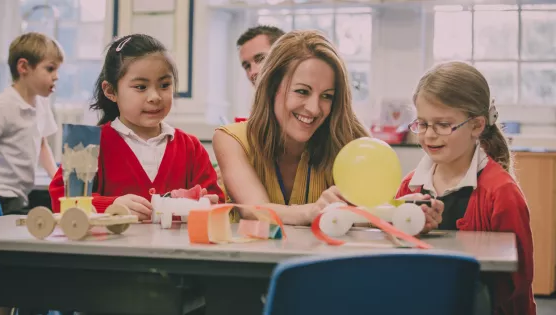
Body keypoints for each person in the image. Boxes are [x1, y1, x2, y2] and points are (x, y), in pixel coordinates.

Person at [396, 61, 535, 315]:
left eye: (443, 124)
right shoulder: (409, 186)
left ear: (477, 125)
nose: (428, 135)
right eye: (423, 124)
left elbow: (517, 282)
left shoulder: (501, 192)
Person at [49, 34, 224, 220]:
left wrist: (209, 204)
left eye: (164, 85)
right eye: (141, 87)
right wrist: (110, 206)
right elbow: (62, 200)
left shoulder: (190, 147)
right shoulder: (86, 145)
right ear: (111, 91)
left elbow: (215, 200)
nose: (155, 96)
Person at [215, 30, 367, 225]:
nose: (313, 109)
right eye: (302, 91)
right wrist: (313, 211)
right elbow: (254, 210)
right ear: (271, 87)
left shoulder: (350, 144)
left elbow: (374, 218)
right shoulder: (231, 140)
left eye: (327, 96)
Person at [0, 32, 61, 215]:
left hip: (20, 195)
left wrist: (58, 180)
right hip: (2, 197)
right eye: (50, 69)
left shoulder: (41, 102)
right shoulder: (3, 106)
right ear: (24, 67)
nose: (56, 76)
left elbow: (42, 143)